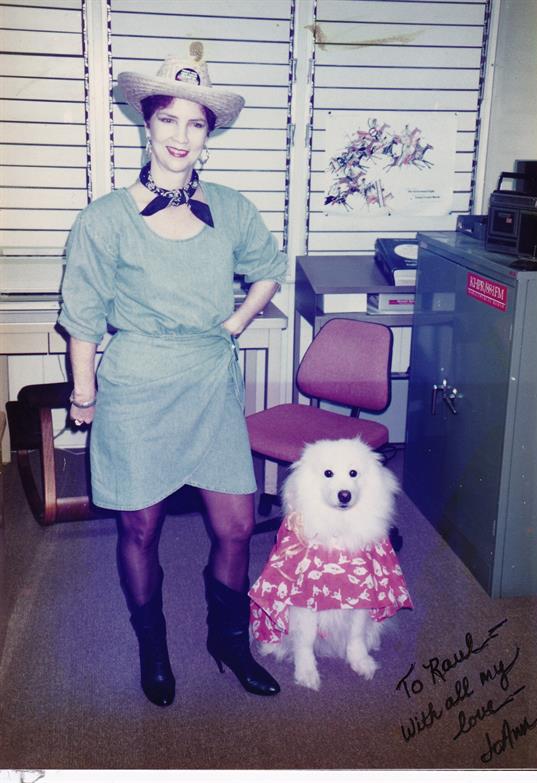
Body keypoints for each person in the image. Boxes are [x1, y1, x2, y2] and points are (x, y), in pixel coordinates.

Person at [57, 49, 287, 707]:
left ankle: (227, 638)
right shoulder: (103, 219)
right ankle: (153, 648)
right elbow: (82, 320)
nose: (181, 136)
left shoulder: (233, 208)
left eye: (196, 124)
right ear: (147, 125)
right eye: (169, 120)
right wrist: (84, 393)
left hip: (210, 387)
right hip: (135, 389)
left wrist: (237, 322)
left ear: (208, 138)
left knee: (237, 525)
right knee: (140, 529)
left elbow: (269, 266)